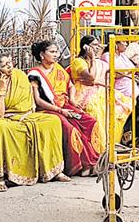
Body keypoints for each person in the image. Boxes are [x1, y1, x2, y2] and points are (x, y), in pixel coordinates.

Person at [0, 53, 69, 192]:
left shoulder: (18, 76)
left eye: (10, 62)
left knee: (53, 121)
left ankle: (52, 171)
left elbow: (28, 103)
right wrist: (1, 90)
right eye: (4, 65)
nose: (10, 66)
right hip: (4, 120)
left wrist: (26, 114)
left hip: (25, 117)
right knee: (0, 127)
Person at [27, 41, 101, 176]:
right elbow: (38, 100)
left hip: (66, 105)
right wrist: (60, 110)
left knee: (89, 121)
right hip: (48, 109)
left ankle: (93, 161)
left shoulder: (58, 68)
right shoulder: (34, 74)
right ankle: (81, 166)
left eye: (56, 52)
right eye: (52, 52)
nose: (56, 55)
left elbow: (71, 85)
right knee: (71, 129)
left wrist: (72, 100)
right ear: (42, 55)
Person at [69, 35, 132, 151]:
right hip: (84, 93)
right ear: (85, 47)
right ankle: (99, 147)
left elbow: (104, 80)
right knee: (98, 110)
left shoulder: (100, 63)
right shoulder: (78, 62)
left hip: (100, 90)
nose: (98, 48)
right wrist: (92, 59)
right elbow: (91, 77)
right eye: (94, 45)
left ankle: (114, 143)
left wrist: (95, 80)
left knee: (124, 106)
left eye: (99, 45)